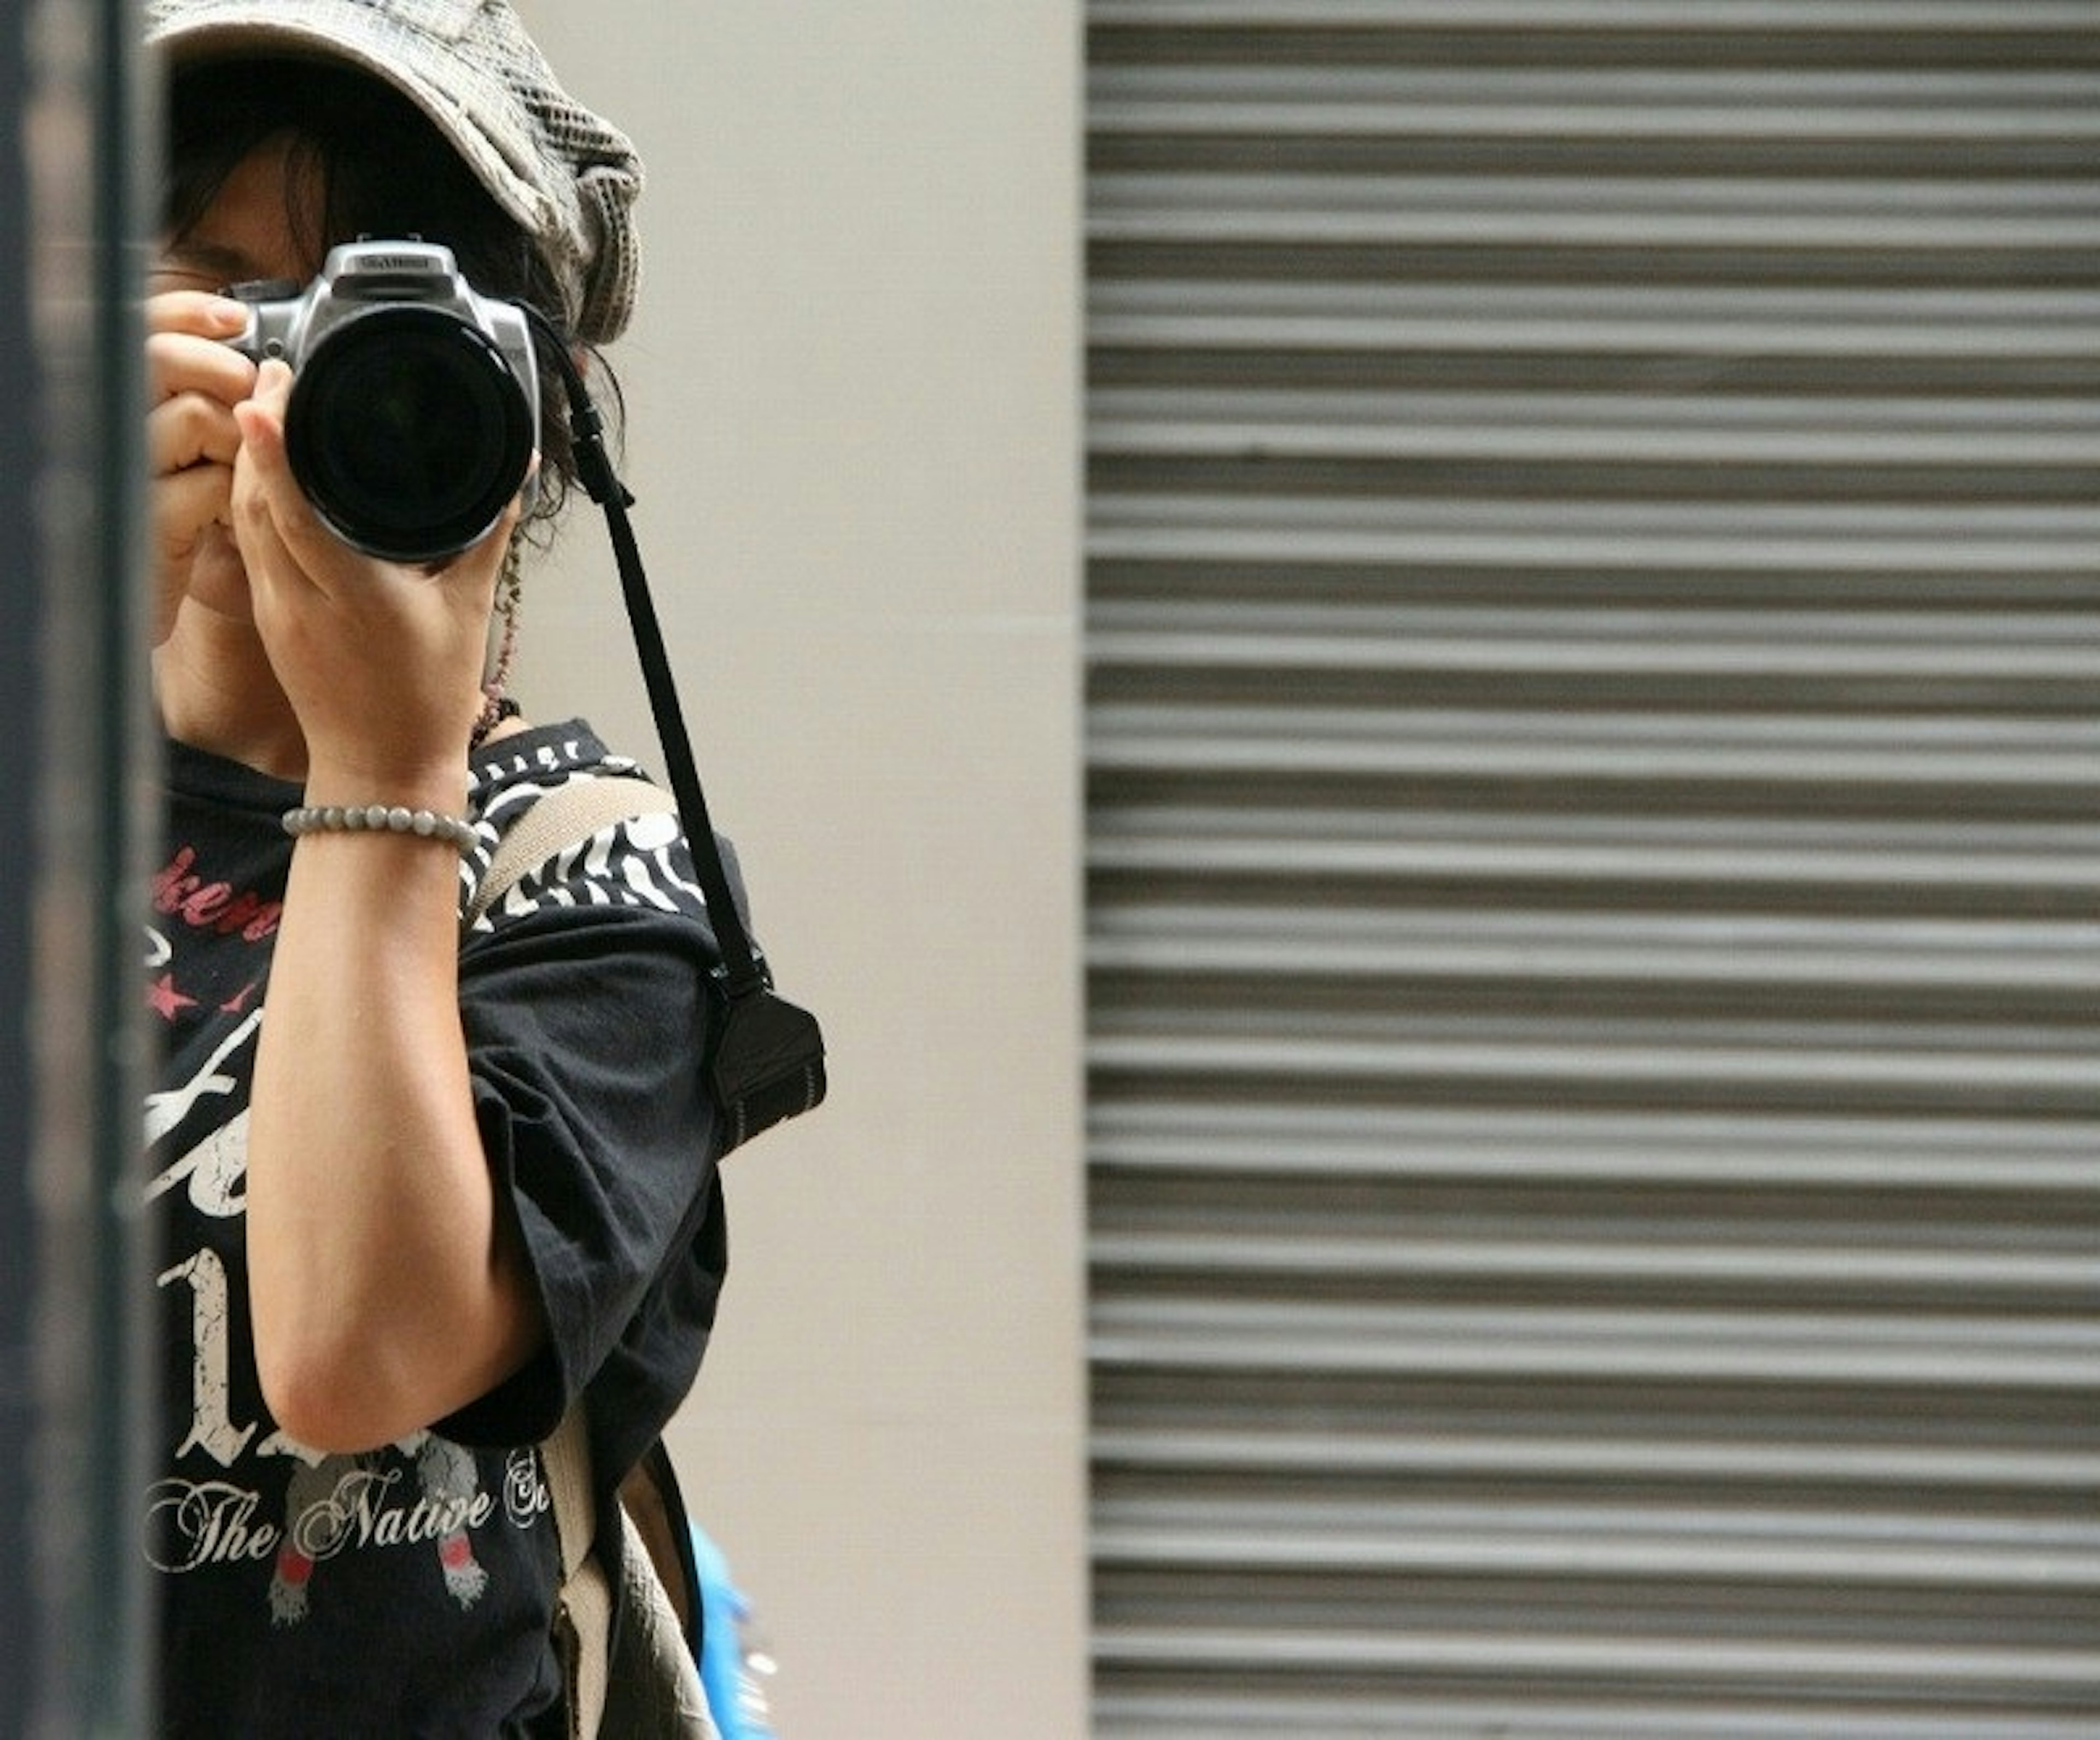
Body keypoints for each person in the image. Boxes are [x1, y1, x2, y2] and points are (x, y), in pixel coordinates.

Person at [141, 3, 737, 1731]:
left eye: (375, 320)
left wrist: (388, 769)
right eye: (226, 292)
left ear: (532, 420)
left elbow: (354, 1355)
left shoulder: (584, 861)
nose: (287, 383)